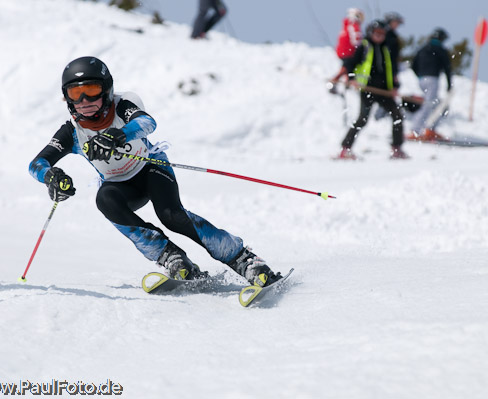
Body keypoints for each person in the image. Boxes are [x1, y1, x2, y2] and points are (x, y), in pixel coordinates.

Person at [29, 56, 282, 287]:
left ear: (106, 90)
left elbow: (147, 122)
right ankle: (170, 257)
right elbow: (37, 164)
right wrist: (51, 177)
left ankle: (243, 259)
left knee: (171, 215)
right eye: (75, 93)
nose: (84, 101)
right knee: (104, 200)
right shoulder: (72, 131)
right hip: (121, 185)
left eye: (92, 90)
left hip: (151, 168)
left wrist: (118, 135)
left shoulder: (123, 104)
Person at [336, 20, 408, 160]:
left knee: (397, 116)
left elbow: (391, 70)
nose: (380, 36)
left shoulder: (387, 49)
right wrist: (351, 78)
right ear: (371, 33)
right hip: (367, 89)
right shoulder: (364, 46)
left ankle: (396, 148)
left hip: (384, 91)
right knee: (362, 119)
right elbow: (350, 63)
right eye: (377, 33)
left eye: (382, 34)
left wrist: (394, 87)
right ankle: (346, 149)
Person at [408, 28, 453, 141]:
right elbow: (447, 67)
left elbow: (413, 65)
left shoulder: (423, 48)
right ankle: (416, 130)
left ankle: (430, 129)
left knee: (434, 103)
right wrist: (449, 83)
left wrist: (420, 75)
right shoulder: (441, 50)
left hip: (422, 80)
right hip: (433, 79)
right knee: (429, 104)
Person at [328, 8, 365, 93]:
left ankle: (340, 81)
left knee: (345, 67)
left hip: (342, 51)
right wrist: (360, 47)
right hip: (348, 51)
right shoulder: (353, 25)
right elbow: (356, 39)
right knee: (348, 67)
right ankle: (343, 81)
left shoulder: (346, 24)